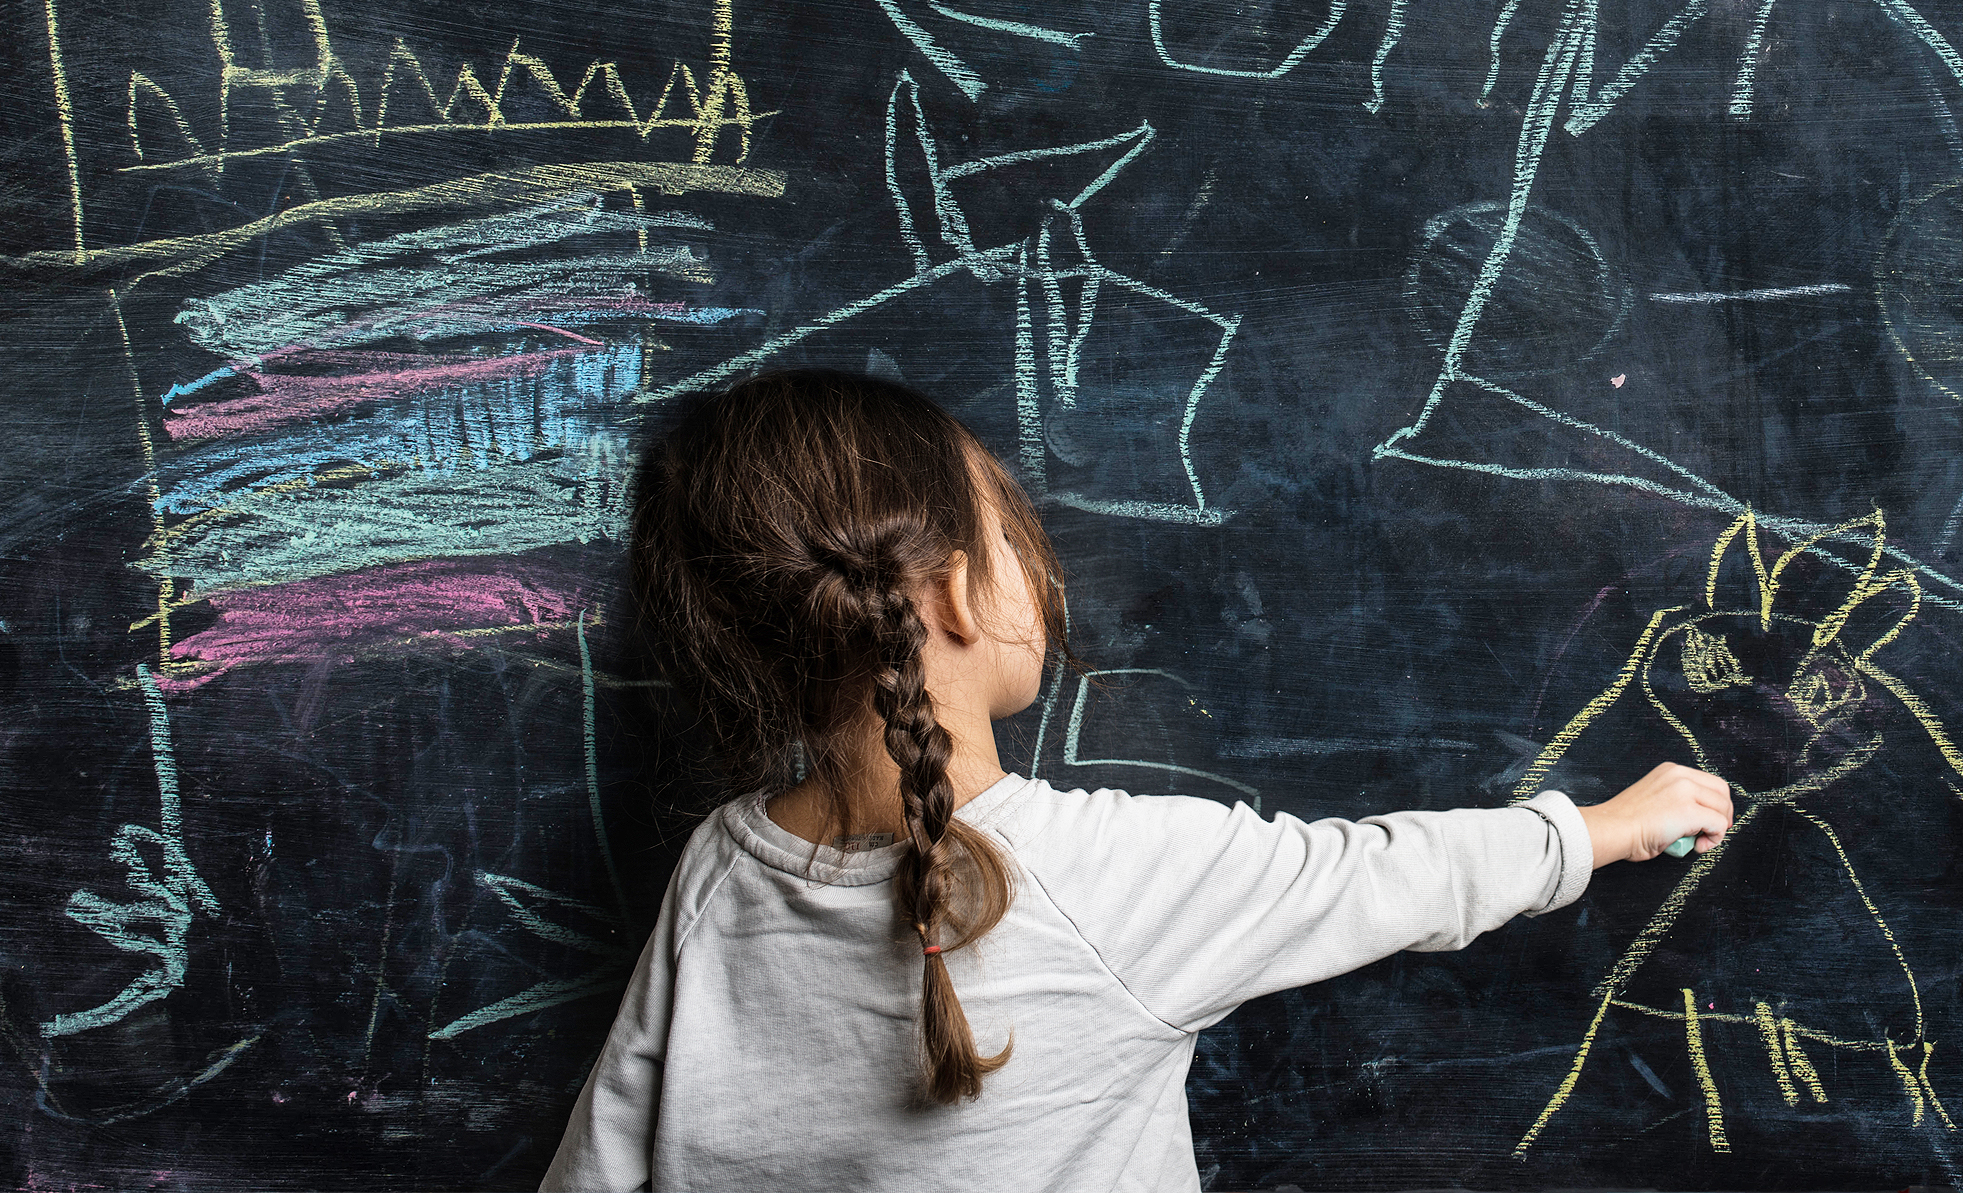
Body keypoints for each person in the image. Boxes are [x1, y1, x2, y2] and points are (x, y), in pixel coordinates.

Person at [539, 369, 1733, 1192]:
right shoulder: (1111, 875)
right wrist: (1598, 830)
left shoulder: (717, 873)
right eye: (1011, 536)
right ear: (955, 593)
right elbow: (1386, 877)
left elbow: (602, 1155)